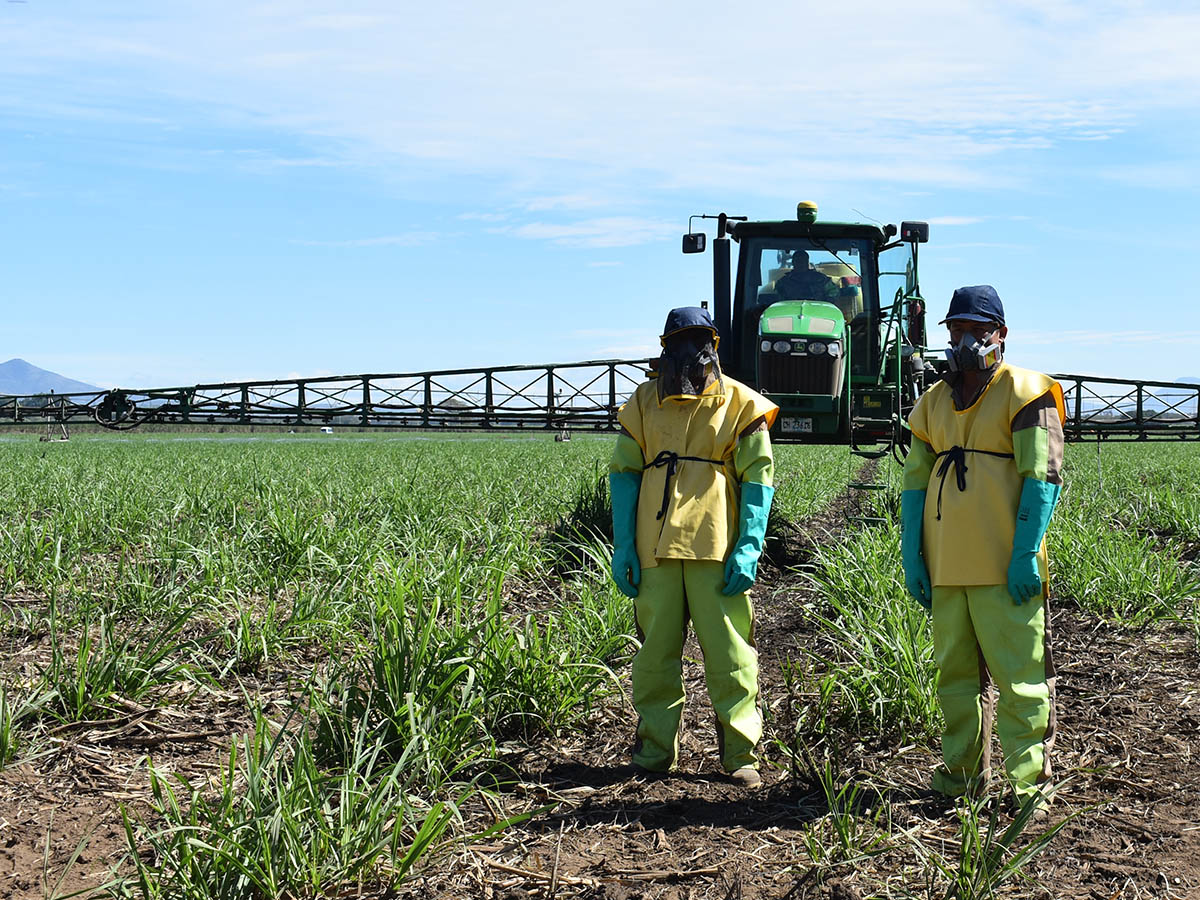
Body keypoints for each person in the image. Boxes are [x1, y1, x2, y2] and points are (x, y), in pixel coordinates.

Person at [900, 285, 1064, 808]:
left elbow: (1042, 477)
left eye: (977, 330)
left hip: (1004, 567)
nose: (965, 340)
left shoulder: (1026, 393)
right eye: (957, 330)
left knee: (1021, 681)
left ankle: (1029, 787)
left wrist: (1025, 553)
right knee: (955, 681)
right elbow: (914, 485)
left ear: (1001, 334)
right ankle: (961, 778)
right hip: (948, 567)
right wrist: (912, 554)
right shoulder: (932, 403)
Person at [608, 307, 779, 787]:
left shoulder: (742, 404)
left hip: (715, 547)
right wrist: (624, 546)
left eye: (699, 340)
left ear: (714, 346)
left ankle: (741, 755)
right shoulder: (643, 403)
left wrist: (749, 545)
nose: (690, 351)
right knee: (654, 656)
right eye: (680, 340)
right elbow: (624, 474)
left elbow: (758, 478)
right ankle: (654, 753)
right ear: (664, 347)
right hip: (654, 548)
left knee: (730, 653)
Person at [774, 249, 839, 302]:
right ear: (793, 263)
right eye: (798, 261)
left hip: (819, 310)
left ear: (807, 262)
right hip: (791, 310)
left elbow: (833, 291)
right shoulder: (784, 282)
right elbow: (778, 299)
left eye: (803, 261)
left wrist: (826, 302)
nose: (801, 264)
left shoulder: (820, 279)